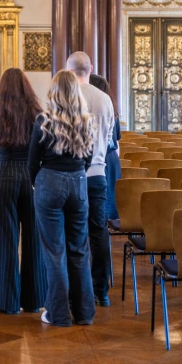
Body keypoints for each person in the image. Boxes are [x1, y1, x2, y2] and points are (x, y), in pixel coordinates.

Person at [29, 70, 95, 326]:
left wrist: (40, 184)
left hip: (49, 182)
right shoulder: (86, 120)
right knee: (79, 250)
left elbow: (32, 162)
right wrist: (75, 175)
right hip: (78, 182)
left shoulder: (44, 120)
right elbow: (88, 158)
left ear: (54, 92)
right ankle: (84, 313)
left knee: (54, 252)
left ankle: (58, 314)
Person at [0, 68, 47, 314]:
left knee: (3, 239)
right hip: (32, 177)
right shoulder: (38, 116)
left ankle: (6, 301)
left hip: (4, 174)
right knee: (33, 239)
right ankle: (33, 299)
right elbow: (42, 150)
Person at [67, 52, 114, 307]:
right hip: (97, 173)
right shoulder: (105, 99)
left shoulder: (66, 96)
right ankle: (100, 291)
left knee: (72, 234)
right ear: (91, 68)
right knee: (98, 233)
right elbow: (109, 139)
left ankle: (75, 291)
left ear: (68, 70)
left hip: (71, 174)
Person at [89, 74, 122, 232]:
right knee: (105, 204)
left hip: (98, 158)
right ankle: (102, 235)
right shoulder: (112, 111)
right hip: (111, 158)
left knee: (98, 205)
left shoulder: (90, 111)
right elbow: (116, 142)